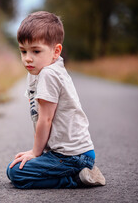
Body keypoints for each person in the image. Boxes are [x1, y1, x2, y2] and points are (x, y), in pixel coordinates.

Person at [6, 11, 106, 189]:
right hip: (70, 154)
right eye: (23, 51)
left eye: (36, 51)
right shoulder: (38, 71)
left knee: (16, 173)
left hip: (72, 156)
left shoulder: (48, 73)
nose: (28, 58)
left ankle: (75, 179)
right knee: (15, 169)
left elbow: (45, 118)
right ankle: (77, 172)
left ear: (56, 51)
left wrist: (35, 153)